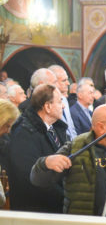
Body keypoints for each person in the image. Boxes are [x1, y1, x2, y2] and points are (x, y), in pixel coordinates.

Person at [8, 84, 67, 213]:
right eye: (59, 101)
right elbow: (29, 177)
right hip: (36, 210)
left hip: (55, 206)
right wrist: (65, 198)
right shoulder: (24, 133)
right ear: (48, 107)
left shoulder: (56, 128)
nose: (63, 106)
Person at [49, 65, 77, 141]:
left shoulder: (64, 99)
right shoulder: (48, 102)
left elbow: (71, 127)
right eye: (64, 80)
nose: (68, 83)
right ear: (53, 82)